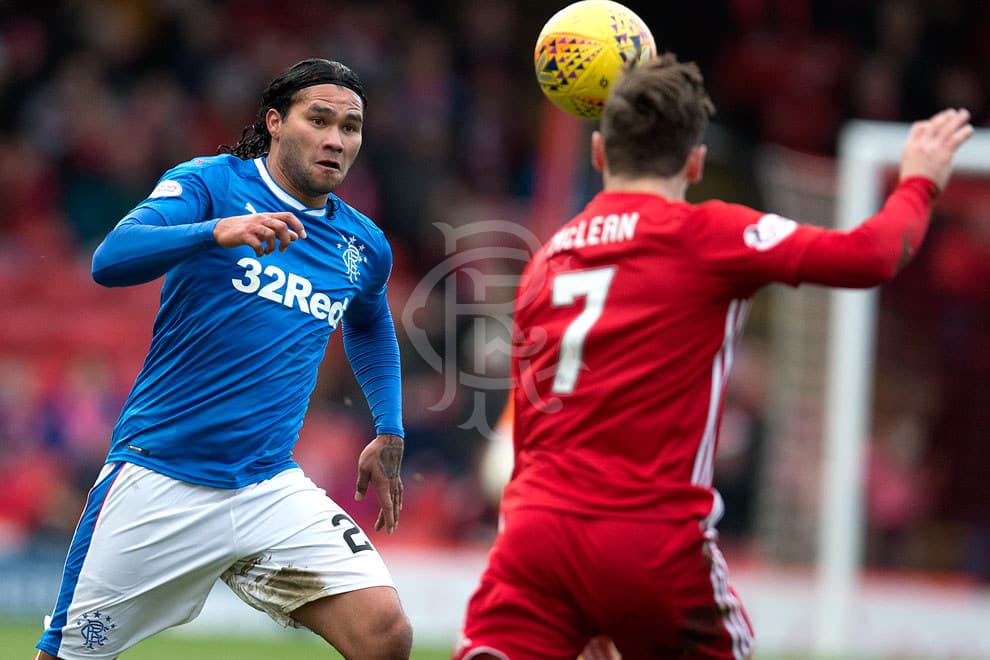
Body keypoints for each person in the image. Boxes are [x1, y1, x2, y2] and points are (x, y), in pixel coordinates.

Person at [456, 52, 972, 660]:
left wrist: (583, 598)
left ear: (599, 154)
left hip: (535, 537)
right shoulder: (707, 235)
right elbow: (872, 255)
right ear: (696, 162)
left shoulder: (546, 260)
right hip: (649, 539)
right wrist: (919, 179)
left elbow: (540, 417)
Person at [35, 58, 412, 660]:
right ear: (275, 122)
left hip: (267, 485)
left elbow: (370, 324)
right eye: (319, 120)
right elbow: (110, 259)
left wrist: (388, 427)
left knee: (385, 633)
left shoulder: (361, 244)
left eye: (351, 127)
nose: (337, 140)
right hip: (159, 480)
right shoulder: (210, 184)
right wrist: (214, 232)